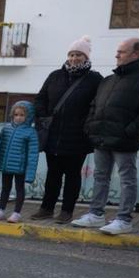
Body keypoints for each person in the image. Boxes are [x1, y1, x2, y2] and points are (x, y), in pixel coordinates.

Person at [73, 38, 139, 235]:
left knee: (127, 179)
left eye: (121, 52)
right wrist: (90, 126)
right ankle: (95, 215)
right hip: (101, 137)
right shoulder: (109, 80)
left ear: (136, 53)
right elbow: (94, 105)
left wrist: (130, 132)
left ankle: (124, 219)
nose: (116, 55)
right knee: (100, 176)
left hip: (124, 140)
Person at [30, 36, 103, 224]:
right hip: (53, 134)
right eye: (71, 54)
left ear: (86, 57)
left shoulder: (94, 79)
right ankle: (46, 208)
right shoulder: (55, 76)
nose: (74, 58)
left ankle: (67, 211)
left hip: (78, 137)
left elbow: (99, 105)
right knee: (53, 174)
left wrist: (87, 125)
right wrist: (43, 116)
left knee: (72, 175)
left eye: (78, 54)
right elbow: (40, 98)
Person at [0, 101, 39, 223]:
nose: (18, 117)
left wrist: (30, 174)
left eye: (22, 115)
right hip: (6, 166)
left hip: (21, 168)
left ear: (28, 116)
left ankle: (17, 213)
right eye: (16, 114)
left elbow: (32, 155)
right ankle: (1, 210)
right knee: (5, 188)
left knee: (19, 189)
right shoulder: (6, 129)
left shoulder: (31, 132)